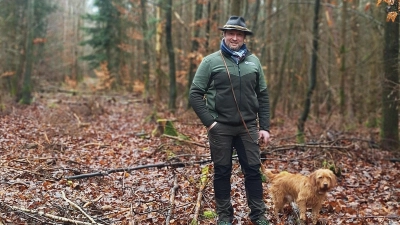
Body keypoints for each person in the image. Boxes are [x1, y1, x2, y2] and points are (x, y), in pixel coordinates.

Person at [189, 16, 271, 225]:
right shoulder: (211, 61)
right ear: (224, 35)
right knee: (222, 171)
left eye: (239, 34)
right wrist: (211, 123)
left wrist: (265, 127)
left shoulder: (254, 62)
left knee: (253, 171)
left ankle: (258, 215)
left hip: (248, 127)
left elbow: (262, 95)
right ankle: (224, 216)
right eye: (231, 33)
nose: (235, 37)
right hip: (220, 128)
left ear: (244, 37)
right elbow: (195, 94)